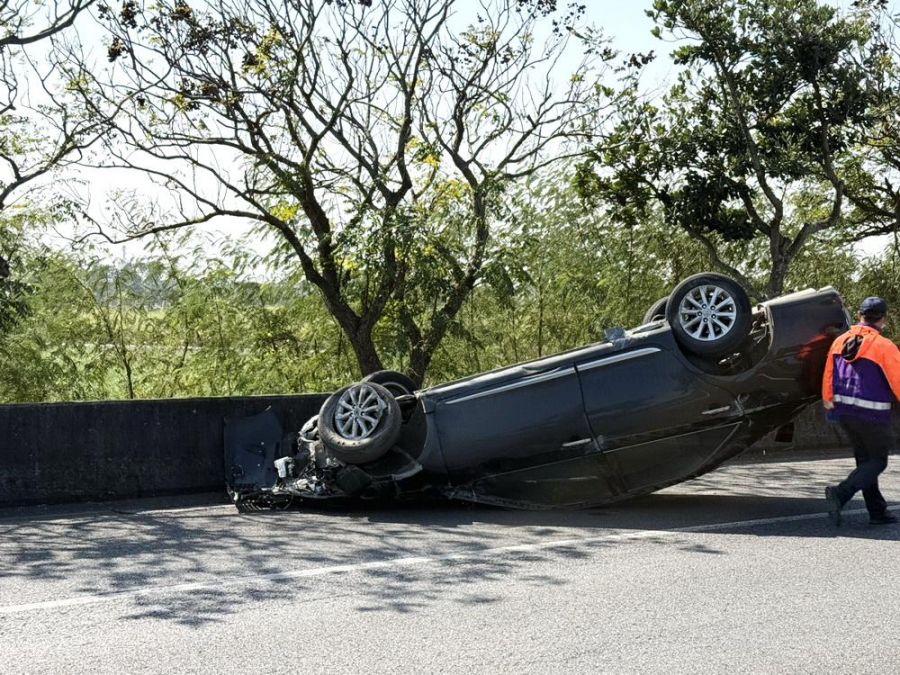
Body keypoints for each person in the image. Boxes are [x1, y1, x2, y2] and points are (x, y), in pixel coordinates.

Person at [822, 297, 900, 526]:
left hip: (845, 412)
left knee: (865, 460)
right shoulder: (884, 346)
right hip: (872, 414)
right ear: (883, 319)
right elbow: (897, 381)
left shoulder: (840, 341)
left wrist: (828, 402)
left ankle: (877, 511)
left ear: (859, 315)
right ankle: (841, 493)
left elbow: (829, 374)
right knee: (878, 461)